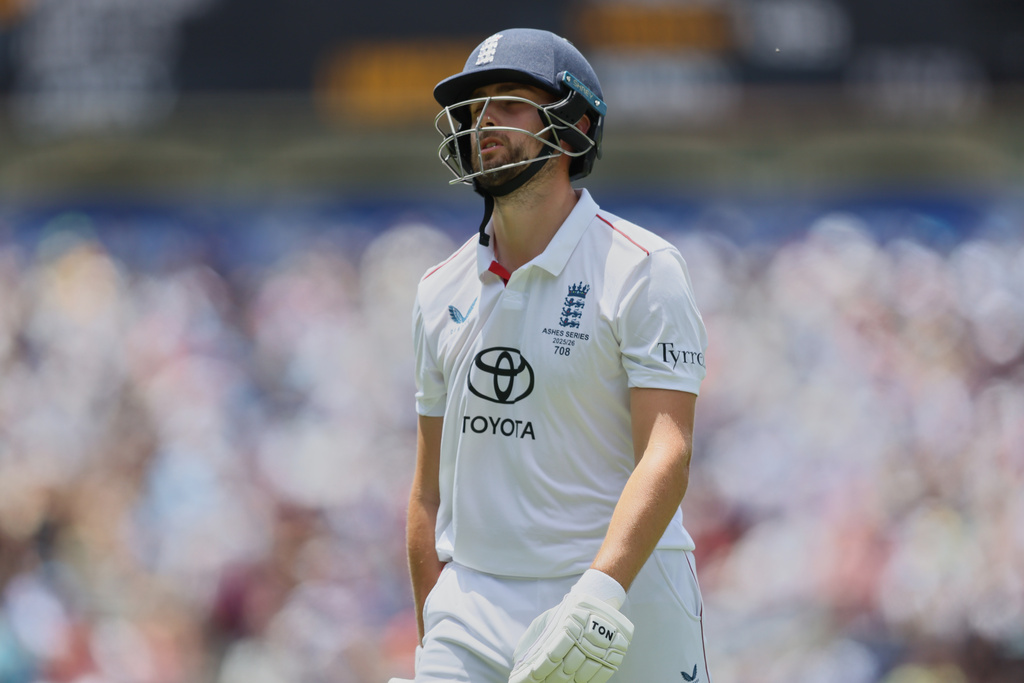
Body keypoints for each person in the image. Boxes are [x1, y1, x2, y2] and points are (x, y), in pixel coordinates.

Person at [402, 28, 711, 683]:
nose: (485, 121)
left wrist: (599, 595)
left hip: (625, 598)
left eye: (510, 104)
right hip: (475, 609)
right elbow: (428, 492)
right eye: (475, 107)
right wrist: (435, 627)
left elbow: (668, 450)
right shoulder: (438, 290)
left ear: (572, 129)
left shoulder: (643, 268)